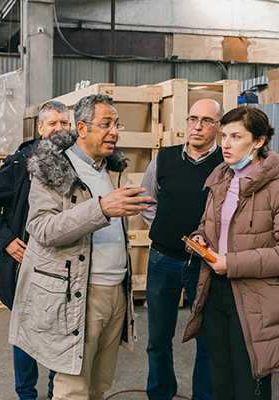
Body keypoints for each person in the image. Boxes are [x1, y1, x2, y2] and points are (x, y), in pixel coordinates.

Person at [8, 94, 151, 400]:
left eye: (117, 124)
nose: (114, 131)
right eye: (106, 124)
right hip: (80, 292)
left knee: (99, 385)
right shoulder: (53, 169)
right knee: (73, 388)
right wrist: (101, 209)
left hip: (116, 292)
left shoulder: (112, 169)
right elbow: (42, 228)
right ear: (82, 128)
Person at [183, 106, 279, 400]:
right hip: (215, 290)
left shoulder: (275, 186)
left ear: (259, 141)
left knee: (249, 385)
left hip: (253, 297)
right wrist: (201, 238)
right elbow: (208, 224)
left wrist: (232, 263)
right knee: (221, 381)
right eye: (224, 135)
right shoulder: (221, 176)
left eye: (236, 136)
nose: (225, 144)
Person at [0, 100, 70, 400]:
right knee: (26, 329)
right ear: (40, 128)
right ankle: (26, 394)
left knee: (62, 328)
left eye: (64, 123)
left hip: (64, 260)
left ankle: (58, 391)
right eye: (52, 123)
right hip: (26, 260)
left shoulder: (77, 162)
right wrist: (6, 240)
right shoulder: (20, 163)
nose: (59, 129)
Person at [140, 98, 224, 400]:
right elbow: (148, 201)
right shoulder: (164, 158)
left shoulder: (226, 164)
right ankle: (160, 394)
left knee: (208, 341)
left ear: (219, 127)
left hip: (206, 265)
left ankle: (204, 396)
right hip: (163, 260)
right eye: (192, 119)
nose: (197, 126)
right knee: (158, 339)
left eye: (206, 121)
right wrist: (166, 228)